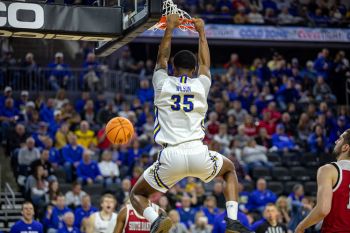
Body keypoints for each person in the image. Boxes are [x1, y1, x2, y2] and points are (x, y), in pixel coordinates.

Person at [129, 15, 250, 233]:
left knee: (137, 194)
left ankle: (155, 220)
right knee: (230, 170)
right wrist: (201, 32)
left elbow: (161, 59)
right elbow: (205, 62)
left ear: (173, 68)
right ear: (193, 70)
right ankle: (232, 221)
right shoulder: (201, 85)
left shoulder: (162, 83)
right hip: (198, 153)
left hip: (170, 156)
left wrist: (170, 29)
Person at [295, 129, 350, 233]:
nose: (335, 142)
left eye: (340, 139)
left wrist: (301, 226)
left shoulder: (328, 170)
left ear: (345, 147)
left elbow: (323, 209)